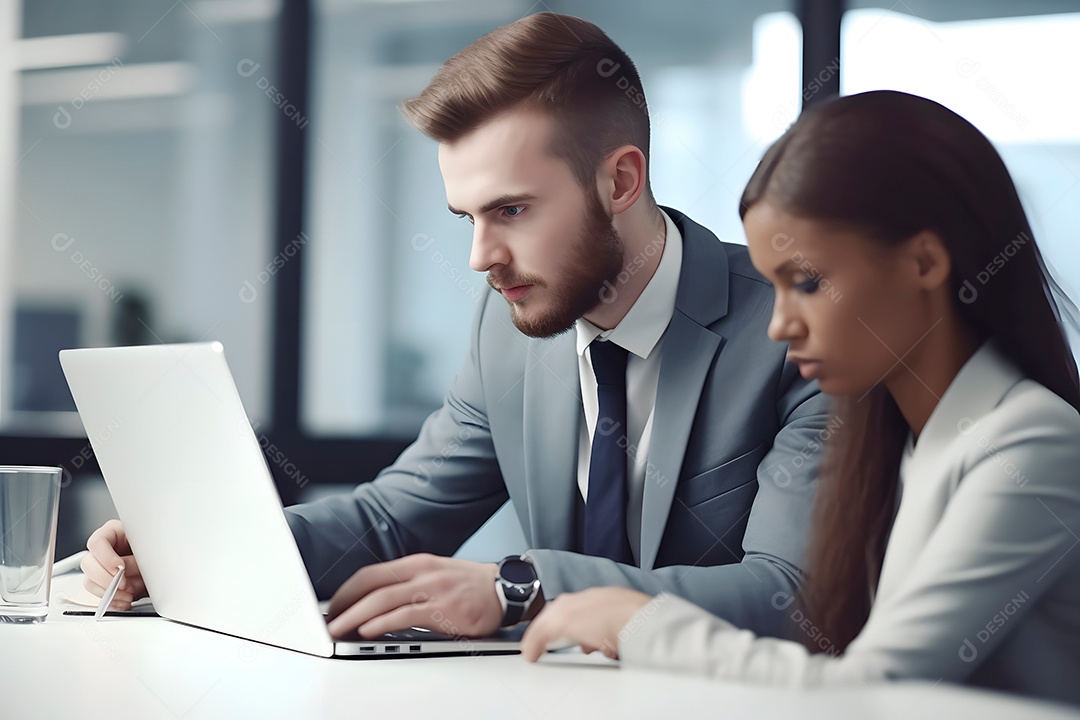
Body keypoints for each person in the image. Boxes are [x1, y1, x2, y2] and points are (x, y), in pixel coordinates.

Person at [79, 12, 829, 641]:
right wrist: (193, 549)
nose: (480, 258)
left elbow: (789, 594)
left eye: (511, 211)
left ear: (621, 181)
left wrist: (523, 589)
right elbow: (391, 520)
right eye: (467, 218)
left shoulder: (797, 328)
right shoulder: (510, 329)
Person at [520, 90, 1080, 706]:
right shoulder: (905, 443)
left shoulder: (1032, 443)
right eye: (775, 287)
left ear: (924, 261)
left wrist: (639, 621)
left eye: (808, 283)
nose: (779, 325)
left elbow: (876, 688)